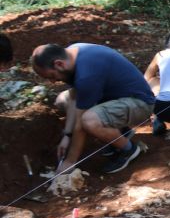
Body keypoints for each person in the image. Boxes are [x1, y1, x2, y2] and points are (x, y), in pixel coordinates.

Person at [31, 43, 155, 174]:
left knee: (88, 121)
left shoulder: (86, 75)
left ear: (59, 64)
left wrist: (69, 162)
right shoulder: (73, 53)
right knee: (63, 100)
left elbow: (80, 125)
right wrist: (67, 135)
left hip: (140, 104)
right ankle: (122, 131)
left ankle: (129, 149)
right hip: (116, 98)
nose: (52, 82)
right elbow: (74, 96)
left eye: (51, 76)